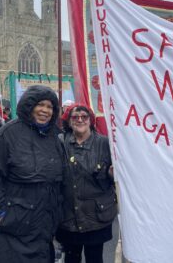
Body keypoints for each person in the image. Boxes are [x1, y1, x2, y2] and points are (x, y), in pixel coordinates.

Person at [0, 85, 64, 263]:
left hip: (43, 224)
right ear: (29, 106)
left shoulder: (54, 136)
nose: (45, 110)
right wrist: (1, 212)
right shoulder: (9, 133)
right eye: (40, 105)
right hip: (13, 225)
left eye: (50, 107)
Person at [56, 103, 117, 263]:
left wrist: (112, 175)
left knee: (94, 258)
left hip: (96, 216)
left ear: (90, 120)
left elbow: (117, 175)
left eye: (84, 117)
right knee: (71, 258)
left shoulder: (105, 143)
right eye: (75, 117)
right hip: (68, 215)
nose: (80, 120)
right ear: (69, 121)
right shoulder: (59, 143)